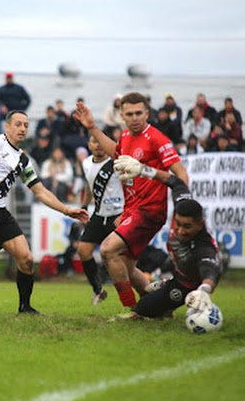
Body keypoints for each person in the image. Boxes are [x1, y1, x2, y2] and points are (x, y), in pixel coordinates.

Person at [0, 110, 89, 314]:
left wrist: (67, 209)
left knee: (27, 259)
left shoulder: (23, 160)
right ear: (7, 126)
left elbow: (40, 191)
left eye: (26, 126)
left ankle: (25, 307)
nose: (22, 129)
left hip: (0, 213)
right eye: (18, 124)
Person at [73, 93, 188, 311]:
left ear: (147, 113)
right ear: (121, 115)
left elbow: (180, 173)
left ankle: (133, 310)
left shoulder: (157, 139)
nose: (135, 118)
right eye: (129, 114)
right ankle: (157, 309)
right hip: (132, 209)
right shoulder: (125, 136)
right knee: (126, 266)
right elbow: (115, 153)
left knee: (107, 250)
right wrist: (92, 128)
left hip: (149, 210)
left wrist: (182, 203)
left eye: (139, 113)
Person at [113, 155, 221, 319]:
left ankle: (178, 297)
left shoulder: (203, 245)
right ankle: (166, 290)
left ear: (201, 223)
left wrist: (204, 290)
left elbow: (211, 272)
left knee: (145, 309)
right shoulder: (182, 203)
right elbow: (175, 181)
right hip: (178, 277)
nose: (181, 231)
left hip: (188, 285)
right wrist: (143, 170)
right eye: (178, 224)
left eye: (187, 227)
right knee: (143, 307)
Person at [77, 135, 124, 305]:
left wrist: (126, 213)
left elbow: (130, 185)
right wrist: (83, 206)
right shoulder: (86, 163)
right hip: (99, 214)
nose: (98, 145)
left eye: (101, 142)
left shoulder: (117, 163)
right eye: (94, 142)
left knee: (123, 260)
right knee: (83, 250)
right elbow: (89, 187)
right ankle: (98, 290)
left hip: (118, 215)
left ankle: (138, 296)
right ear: (89, 145)